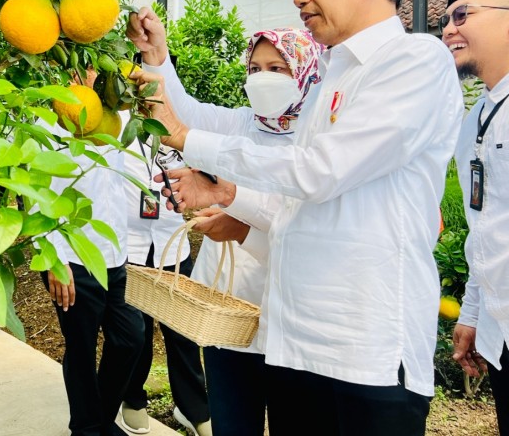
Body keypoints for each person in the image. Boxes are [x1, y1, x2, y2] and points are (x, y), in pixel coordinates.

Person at [129, 0, 464, 436]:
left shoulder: (414, 60)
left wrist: (191, 142)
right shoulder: (333, 78)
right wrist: (229, 198)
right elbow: (296, 205)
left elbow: (318, 173)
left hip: (364, 351)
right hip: (297, 342)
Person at [126, 22, 322, 436]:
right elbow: (185, 114)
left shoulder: (319, 145)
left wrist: (236, 210)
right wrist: (157, 55)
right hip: (225, 315)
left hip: (290, 319)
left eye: (277, 68)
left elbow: (306, 223)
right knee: (232, 424)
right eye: (254, 68)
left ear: (307, 73)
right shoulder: (240, 125)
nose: (263, 78)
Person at [40, 70, 145, 436]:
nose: (91, 75)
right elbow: (36, 196)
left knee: (130, 337)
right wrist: (54, 257)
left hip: (114, 255)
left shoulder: (117, 117)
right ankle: (86, 429)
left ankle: (99, 419)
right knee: (81, 348)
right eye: (82, 66)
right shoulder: (49, 122)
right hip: (71, 257)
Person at [441, 0, 509, 436]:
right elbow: (483, 226)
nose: (448, 29)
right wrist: (473, 315)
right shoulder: (477, 118)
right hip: (503, 331)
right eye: (447, 18)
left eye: (462, 15)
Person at [119, 125, 211, 436]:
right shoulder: (109, 123)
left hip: (172, 241)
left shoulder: (179, 125)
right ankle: (132, 399)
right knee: (136, 332)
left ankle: (193, 408)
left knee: (182, 331)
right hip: (129, 243)